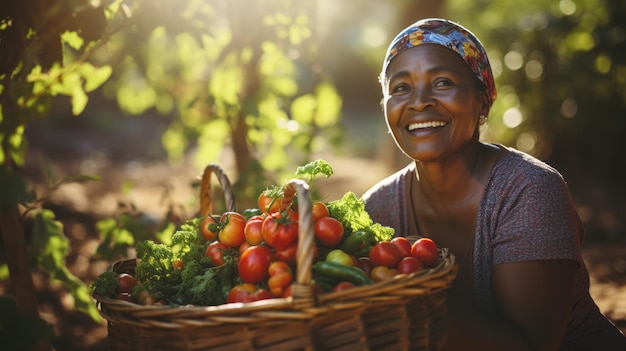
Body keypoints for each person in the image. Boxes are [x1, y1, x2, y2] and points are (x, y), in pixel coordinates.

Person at [361, 18, 626, 350]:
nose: (419, 101)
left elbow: (534, 346)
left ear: (484, 100)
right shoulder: (377, 208)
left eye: (442, 82)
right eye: (400, 88)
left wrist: (412, 300)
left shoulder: (529, 191)